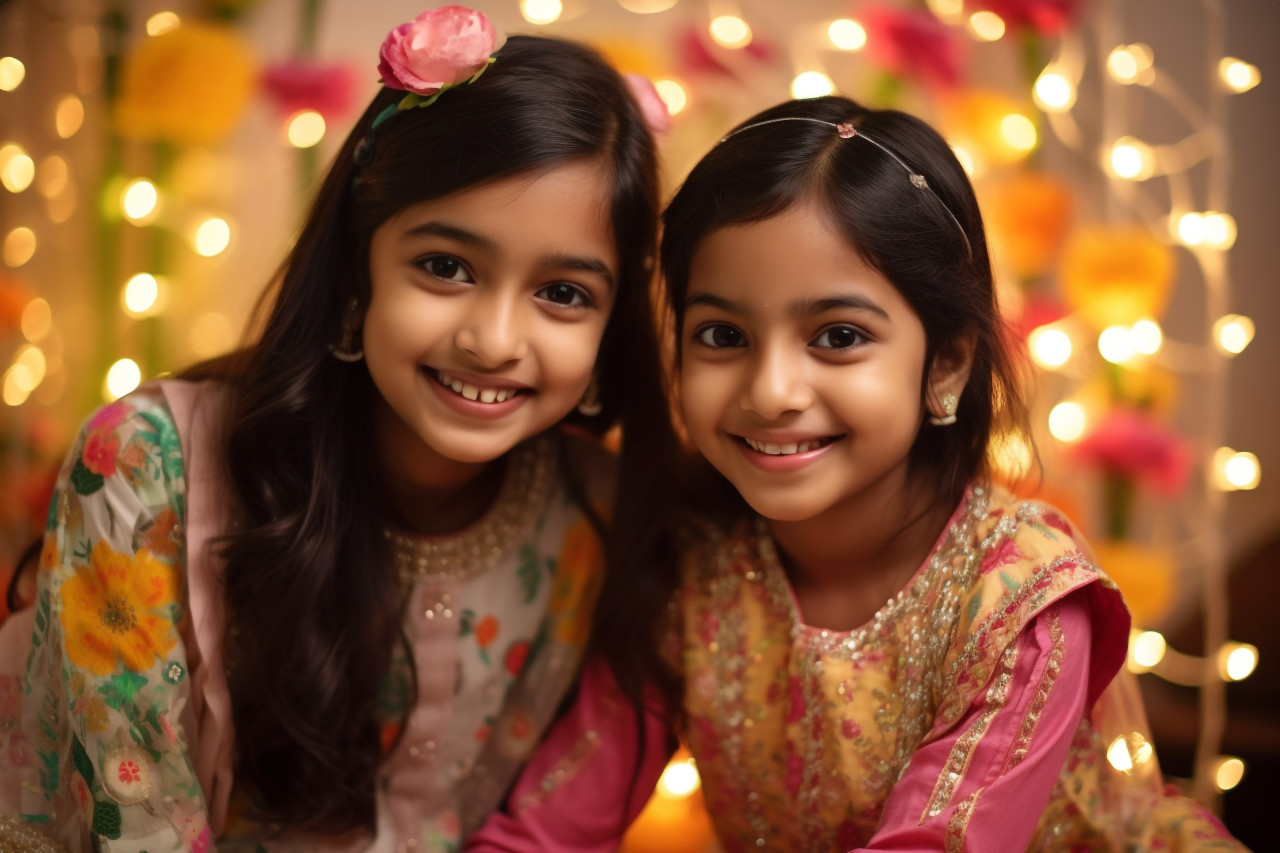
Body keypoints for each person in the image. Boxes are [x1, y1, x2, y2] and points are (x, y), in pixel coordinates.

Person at [468, 97, 1248, 851]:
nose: (772, 391)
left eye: (837, 335)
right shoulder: (689, 569)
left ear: (945, 362)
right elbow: (550, 827)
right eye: (722, 334)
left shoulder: (1022, 601)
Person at [0, 5, 676, 851]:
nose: (495, 340)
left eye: (564, 293)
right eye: (445, 267)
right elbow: (132, 829)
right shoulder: (144, 468)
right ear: (357, 272)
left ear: (611, 325)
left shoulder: (596, 518)